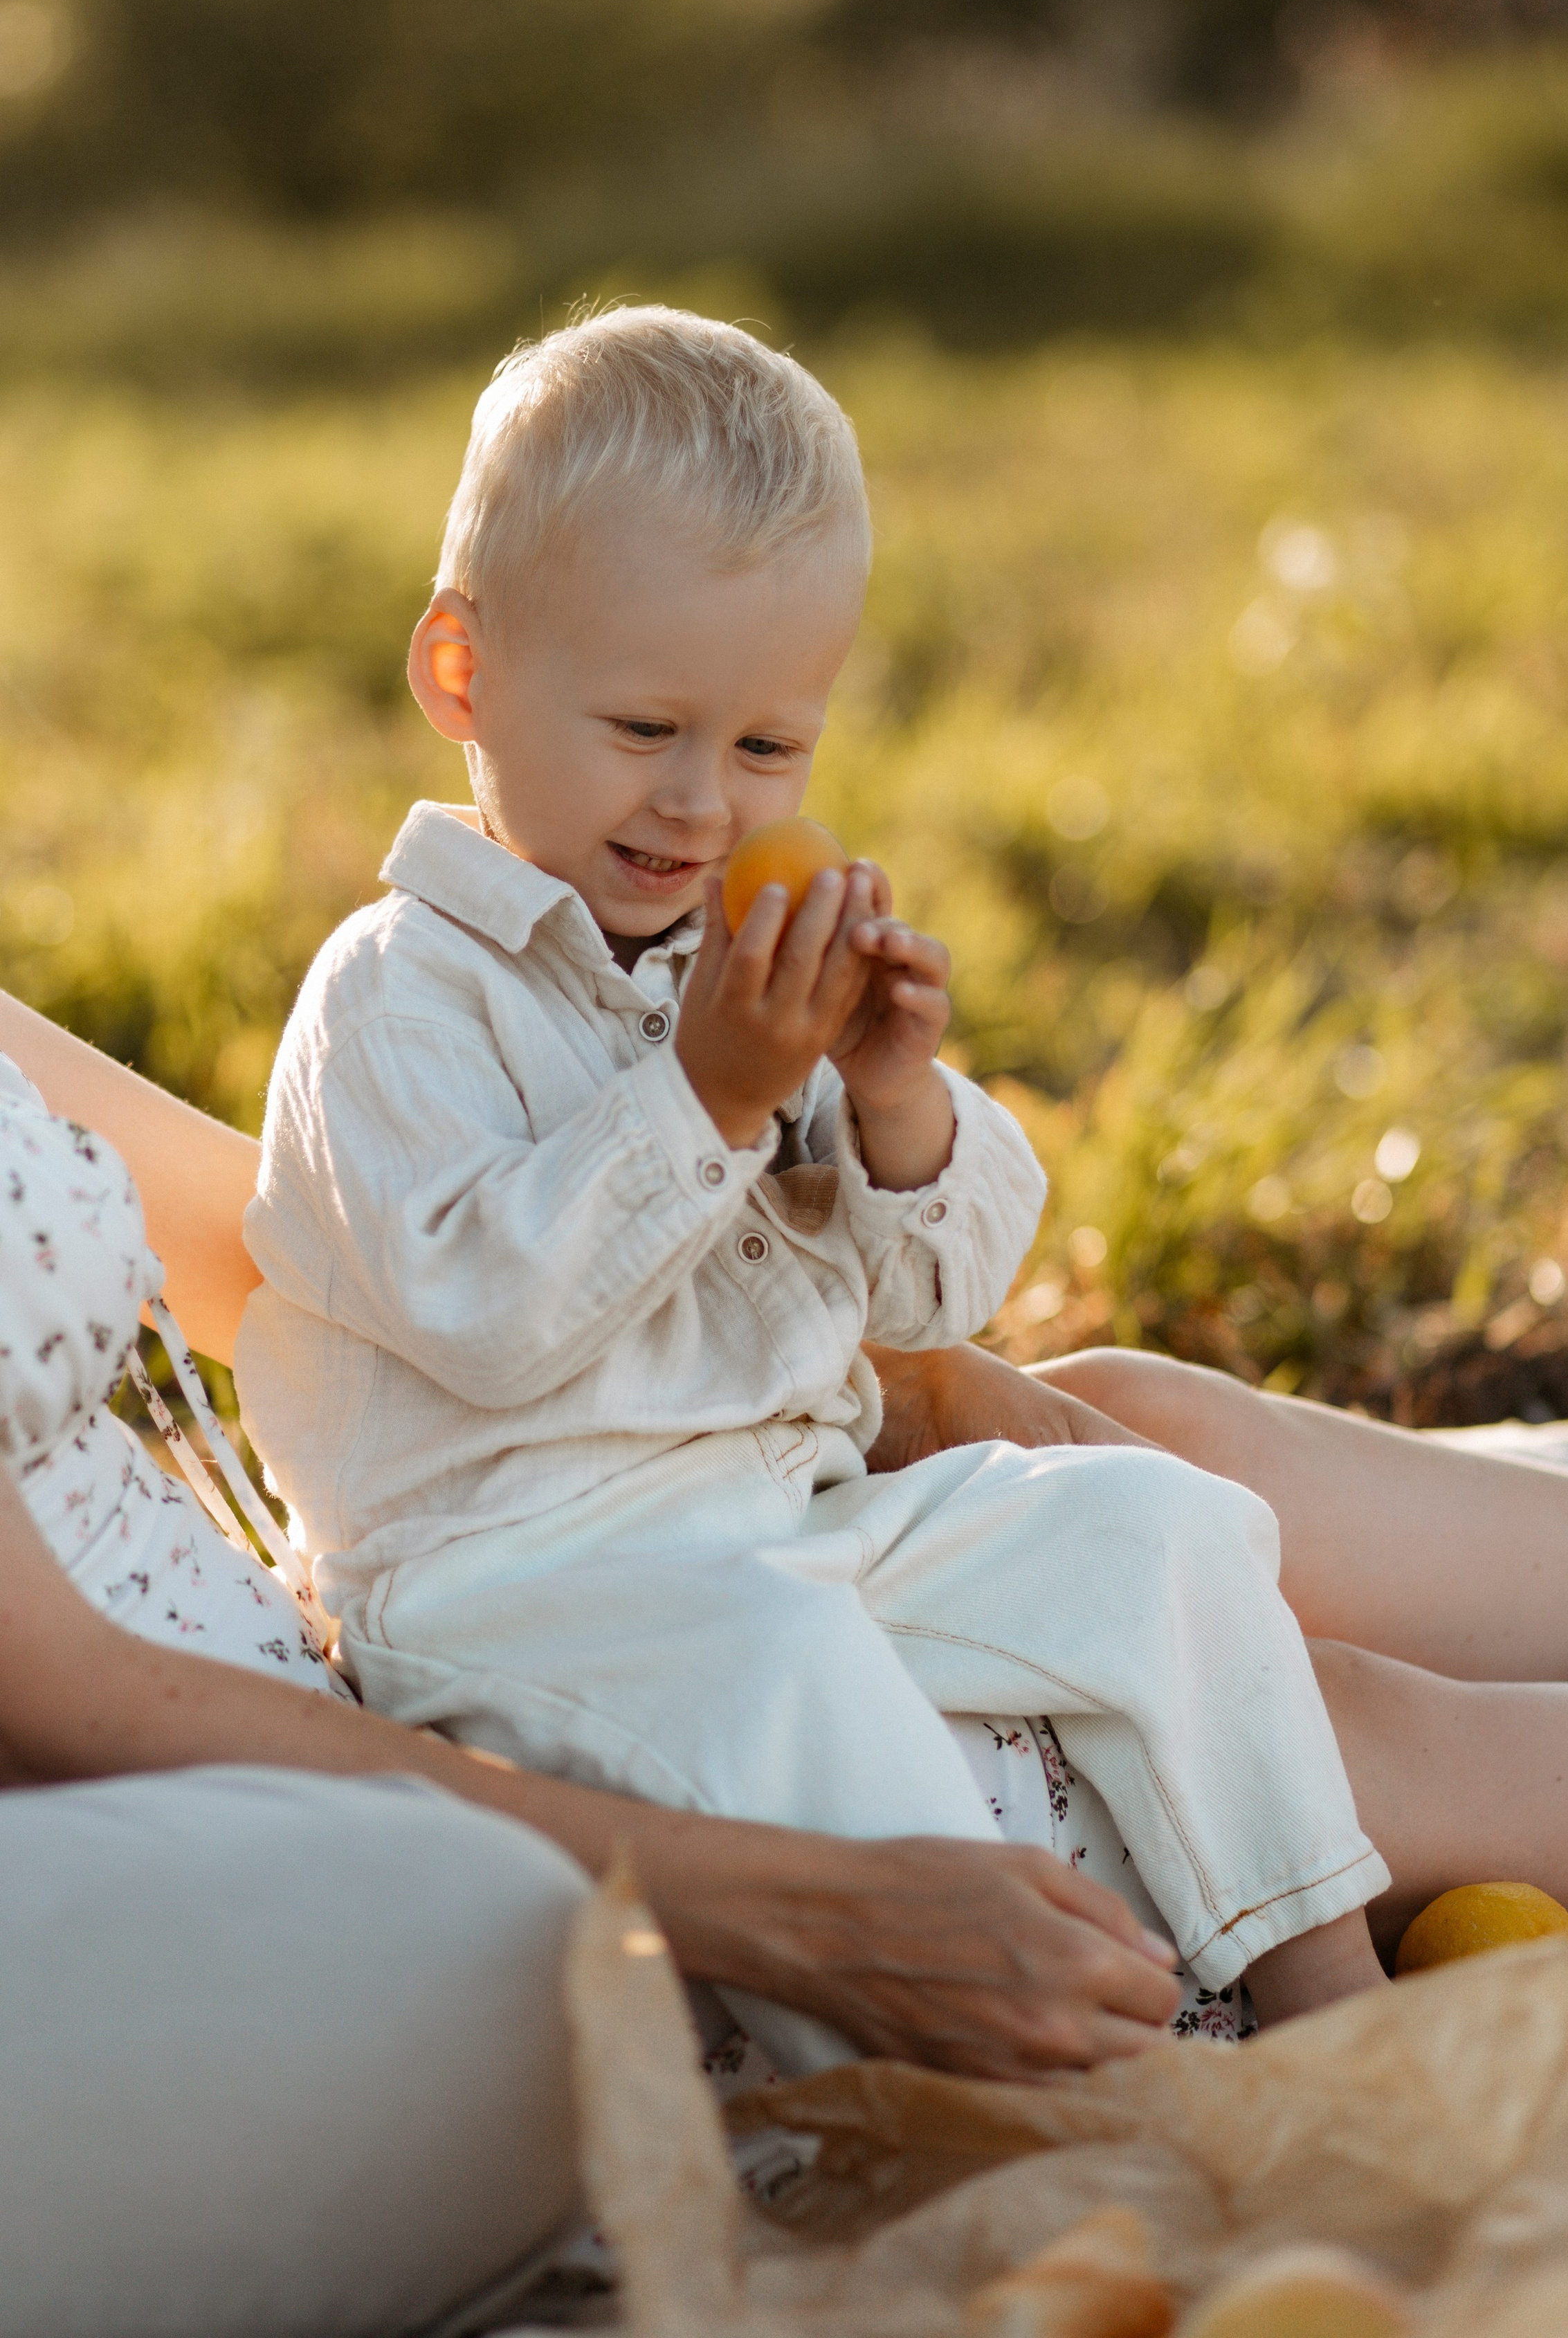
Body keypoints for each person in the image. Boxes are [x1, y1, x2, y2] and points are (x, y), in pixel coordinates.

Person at [241, 306, 1396, 2062]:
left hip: (778, 1507)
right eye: (645, 727)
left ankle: (1344, 2022)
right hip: (518, 1575)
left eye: (770, 748)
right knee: (793, 1682)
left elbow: (924, 1299)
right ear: (461, 676)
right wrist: (707, 1097)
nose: (703, 802)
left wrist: (888, 1097)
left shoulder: (735, 959)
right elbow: (482, 1320)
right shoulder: (397, 993)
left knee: (1152, 1529)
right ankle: (1022, 2121)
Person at [0, 991, 1186, 2338]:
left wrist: (886, 1373)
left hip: (278, 1695)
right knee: (518, 1925)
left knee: (1135, 1469)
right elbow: (59, 1699)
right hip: (167, 1800)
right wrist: (828, 1914)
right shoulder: (397, 972)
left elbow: (292, 1254)